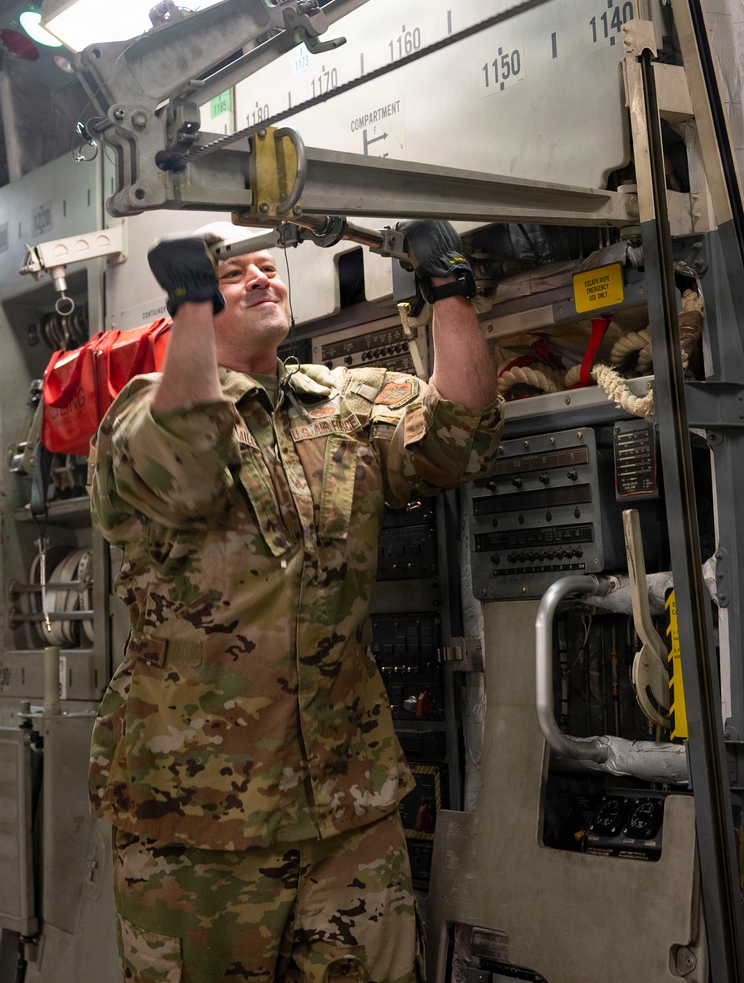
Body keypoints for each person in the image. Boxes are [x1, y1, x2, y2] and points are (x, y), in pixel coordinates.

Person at [89, 221, 502, 983]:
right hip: (197, 824)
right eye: (232, 274)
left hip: (347, 809)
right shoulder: (142, 414)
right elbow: (184, 460)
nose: (262, 279)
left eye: (266, 267)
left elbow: (461, 435)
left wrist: (448, 289)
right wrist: (187, 305)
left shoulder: (340, 403)